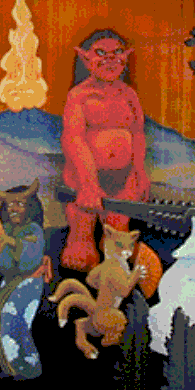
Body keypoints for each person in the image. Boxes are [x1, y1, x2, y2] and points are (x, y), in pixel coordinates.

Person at [60, 30, 149, 272]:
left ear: (126, 57)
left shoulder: (129, 95)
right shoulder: (78, 96)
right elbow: (73, 139)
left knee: (118, 251)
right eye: (101, 53)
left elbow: (138, 134)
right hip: (83, 178)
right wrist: (88, 183)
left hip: (123, 180)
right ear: (85, 57)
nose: (110, 60)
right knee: (80, 253)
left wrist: (139, 172)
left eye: (117, 53)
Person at [0, 180, 51, 380]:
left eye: (20, 204)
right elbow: (2, 262)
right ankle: (11, 366)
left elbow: (30, 257)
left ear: (30, 207)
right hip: (9, 281)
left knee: (19, 322)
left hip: (28, 283)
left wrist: (14, 243)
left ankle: (29, 365)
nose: (13, 209)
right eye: (9, 205)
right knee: (3, 322)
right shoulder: (5, 228)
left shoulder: (34, 230)